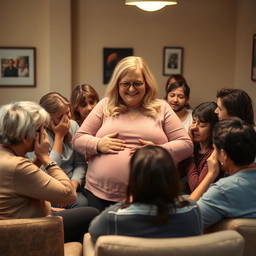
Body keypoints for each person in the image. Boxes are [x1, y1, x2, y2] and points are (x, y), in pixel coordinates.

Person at [73, 56, 193, 212]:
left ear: (147, 84)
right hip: (99, 194)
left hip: (149, 196)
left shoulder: (161, 107)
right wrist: (98, 144)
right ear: (117, 84)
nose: (131, 89)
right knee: (101, 236)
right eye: (126, 84)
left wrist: (158, 151)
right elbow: (78, 139)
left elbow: (186, 144)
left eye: (137, 83)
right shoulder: (105, 105)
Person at [0, 101, 99, 242]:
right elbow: (69, 194)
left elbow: (25, 183)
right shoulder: (16, 165)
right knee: (91, 213)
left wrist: (48, 208)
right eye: (40, 129)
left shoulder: (6, 155)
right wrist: (45, 157)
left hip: (19, 221)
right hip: (25, 231)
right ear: (25, 136)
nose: (44, 133)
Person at [89, 145, 202, 240]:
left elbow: (93, 232)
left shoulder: (113, 218)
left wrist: (127, 201)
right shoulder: (192, 211)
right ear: (172, 177)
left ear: (134, 179)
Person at [191, 118, 256, 228]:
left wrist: (210, 174)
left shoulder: (223, 190)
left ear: (224, 154)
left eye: (214, 149)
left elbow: (185, 222)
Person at [39, 92, 88, 208]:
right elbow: (47, 172)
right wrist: (59, 137)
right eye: (60, 117)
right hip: (49, 188)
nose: (67, 119)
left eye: (68, 112)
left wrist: (73, 186)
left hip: (71, 185)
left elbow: (80, 163)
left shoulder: (74, 125)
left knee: (83, 204)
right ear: (46, 119)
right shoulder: (38, 135)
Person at [185, 102, 219, 192]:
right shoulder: (195, 146)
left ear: (213, 128)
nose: (194, 128)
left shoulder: (214, 154)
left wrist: (189, 152)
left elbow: (196, 188)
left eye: (202, 125)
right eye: (193, 121)